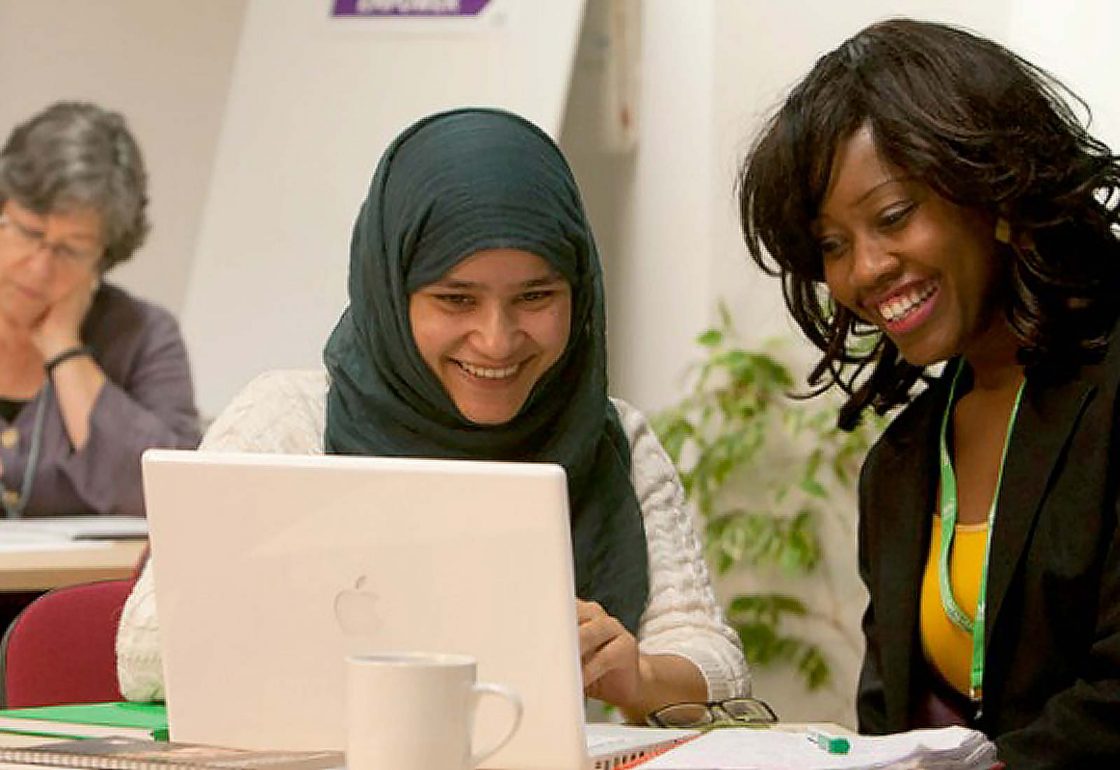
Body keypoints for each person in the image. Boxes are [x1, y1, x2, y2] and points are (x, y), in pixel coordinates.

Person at [117, 107, 748, 721]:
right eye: (455, 299)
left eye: (535, 297)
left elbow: (714, 659)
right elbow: (144, 650)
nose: (497, 340)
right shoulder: (288, 423)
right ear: (390, 291)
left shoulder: (613, 439)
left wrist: (639, 676)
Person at [738, 17, 1120, 767]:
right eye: (833, 245)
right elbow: (891, 728)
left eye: (892, 217)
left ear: (994, 191)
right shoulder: (901, 465)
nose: (865, 270)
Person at [0, 101, 200, 518]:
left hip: (79, 583)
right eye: (29, 232)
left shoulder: (145, 335)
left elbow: (173, 498)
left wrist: (64, 350)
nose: (39, 268)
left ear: (103, 258)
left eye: (70, 250)